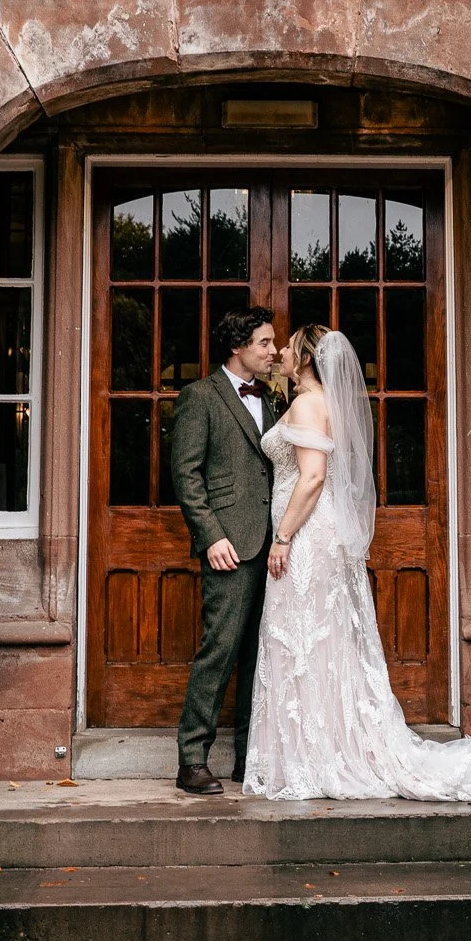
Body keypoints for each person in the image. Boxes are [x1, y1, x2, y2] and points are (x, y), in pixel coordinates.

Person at [243, 324, 471, 801]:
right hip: (311, 533)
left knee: (305, 640)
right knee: (314, 640)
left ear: (307, 359)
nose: (283, 353)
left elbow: (311, 478)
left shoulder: (310, 403)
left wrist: (283, 537)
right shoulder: (314, 402)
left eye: (289, 347)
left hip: (307, 537)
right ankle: (313, 750)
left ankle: (318, 757)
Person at [168, 306, 280, 795]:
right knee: (219, 650)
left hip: (275, 545)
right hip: (229, 546)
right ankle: (192, 759)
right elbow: (186, 476)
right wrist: (211, 536)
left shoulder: (275, 398)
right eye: (264, 343)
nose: (273, 351)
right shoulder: (200, 397)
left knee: (262, 655)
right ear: (238, 348)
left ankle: (247, 758)